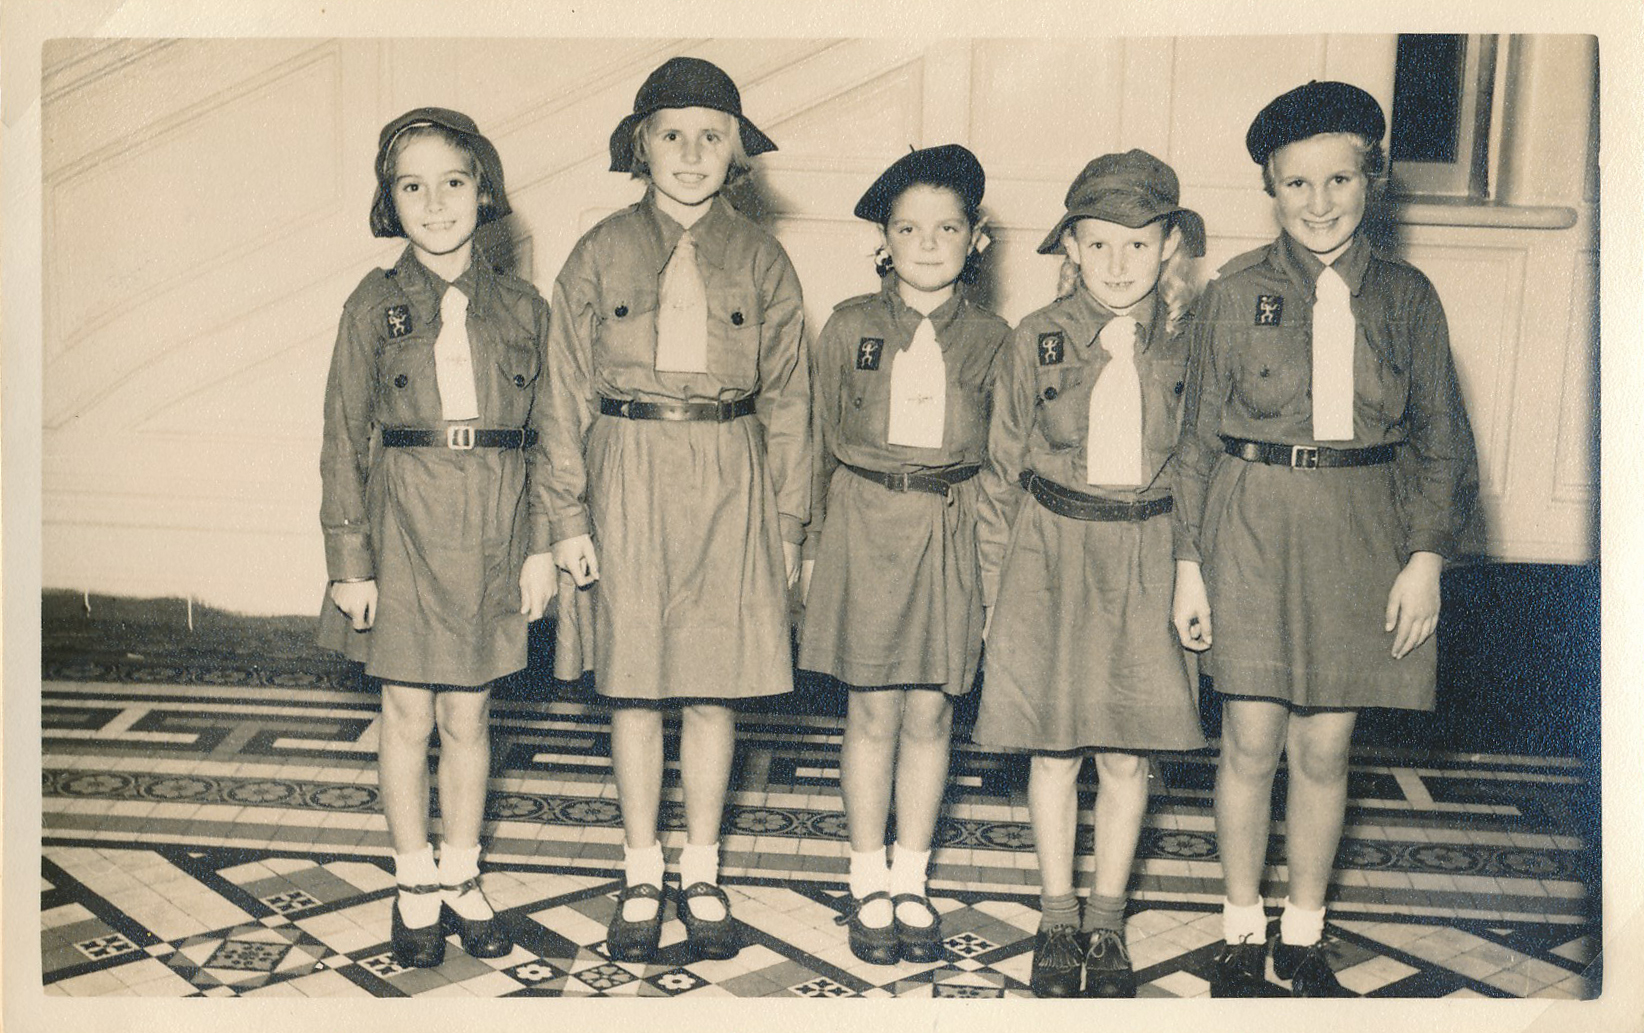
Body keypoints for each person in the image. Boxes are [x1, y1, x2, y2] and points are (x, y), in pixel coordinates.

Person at [1171, 81, 1479, 997]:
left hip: (1362, 534)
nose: (1319, 201)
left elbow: (1441, 439)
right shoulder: (1232, 294)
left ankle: (1302, 933)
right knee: (1249, 744)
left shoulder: (1410, 298)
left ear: (1371, 180)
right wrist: (1191, 565)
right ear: (1270, 186)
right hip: (1253, 528)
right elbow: (1193, 445)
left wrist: (1425, 558)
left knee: (1325, 749)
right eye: (1295, 182)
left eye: (1339, 178)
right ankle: (1236, 926)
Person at [542, 57, 807, 964]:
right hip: (627, 474)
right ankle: (641, 865)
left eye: (711, 135)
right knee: (634, 677)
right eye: (670, 134)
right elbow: (563, 396)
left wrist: (788, 529)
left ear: (737, 150)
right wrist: (568, 519)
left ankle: (702, 865)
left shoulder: (764, 258)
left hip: (731, 477)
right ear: (639, 145)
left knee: (712, 680)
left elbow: (791, 405)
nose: (690, 153)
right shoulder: (598, 251)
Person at [318, 107, 556, 968]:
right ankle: (413, 877)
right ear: (391, 200)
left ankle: (463, 873)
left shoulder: (527, 307)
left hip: (494, 522)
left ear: (482, 189)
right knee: (407, 710)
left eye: (452, 181)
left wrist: (540, 546)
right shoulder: (372, 304)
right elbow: (343, 434)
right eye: (410, 185)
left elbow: (549, 437)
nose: (434, 201)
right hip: (405, 522)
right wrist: (351, 560)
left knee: (471, 710)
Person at [973, 150, 1209, 997]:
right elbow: (1001, 471)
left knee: (1126, 751)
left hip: (1146, 553)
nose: (1117, 264)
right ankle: (1056, 911)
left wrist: (1194, 573)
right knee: (1053, 747)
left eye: (1138, 246)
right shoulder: (1032, 338)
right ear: (1070, 245)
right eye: (1099, 244)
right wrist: (994, 591)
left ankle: (1106, 919)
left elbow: (1200, 467)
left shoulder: (1192, 341)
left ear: (1169, 247)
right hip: (1049, 553)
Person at [799, 145, 1009, 965]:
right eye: (910, 227)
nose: (928, 243)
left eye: (948, 226)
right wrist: (812, 547)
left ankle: (913, 876)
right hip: (862, 522)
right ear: (885, 238)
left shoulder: (996, 338)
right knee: (872, 708)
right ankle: (866, 879)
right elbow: (817, 442)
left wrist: (994, 572)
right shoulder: (850, 325)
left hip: (951, 527)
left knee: (931, 709)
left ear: (976, 238)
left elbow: (1005, 461)